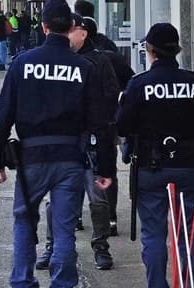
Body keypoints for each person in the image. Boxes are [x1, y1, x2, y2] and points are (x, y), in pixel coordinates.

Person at [0, 0, 114, 288]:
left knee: (23, 228)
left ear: (43, 26)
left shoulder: (22, 64)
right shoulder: (83, 68)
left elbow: (2, 118)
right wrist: (105, 169)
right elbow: (102, 123)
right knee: (64, 232)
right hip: (70, 160)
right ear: (70, 28)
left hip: (30, 159)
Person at [116, 23, 194, 288]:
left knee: (154, 236)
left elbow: (122, 126)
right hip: (188, 166)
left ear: (150, 51)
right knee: (189, 235)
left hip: (151, 168)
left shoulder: (139, 84)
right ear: (178, 49)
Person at [35, 13, 119, 271]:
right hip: (63, 142)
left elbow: (110, 97)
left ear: (82, 33)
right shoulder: (59, 61)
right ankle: (51, 246)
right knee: (54, 201)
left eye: (71, 31)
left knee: (97, 199)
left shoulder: (100, 61)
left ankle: (101, 246)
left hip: (90, 141)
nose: (67, 36)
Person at [81, 16, 135, 236]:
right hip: (106, 123)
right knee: (106, 168)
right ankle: (109, 217)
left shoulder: (97, 58)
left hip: (97, 124)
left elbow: (130, 82)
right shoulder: (110, 54)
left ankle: (98, 217)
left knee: (92, 170)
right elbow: (131, 81)